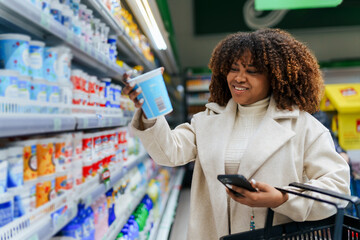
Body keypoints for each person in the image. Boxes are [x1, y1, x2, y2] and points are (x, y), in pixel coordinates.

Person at [123, 28, 350, 239]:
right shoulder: (208, 120)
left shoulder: (304, 127)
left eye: (252, 71)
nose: (239, 78)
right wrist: (149, 108)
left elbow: (337, 187)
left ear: (275, 78)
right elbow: (169, 153)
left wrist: (283, 198)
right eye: (233, 68)